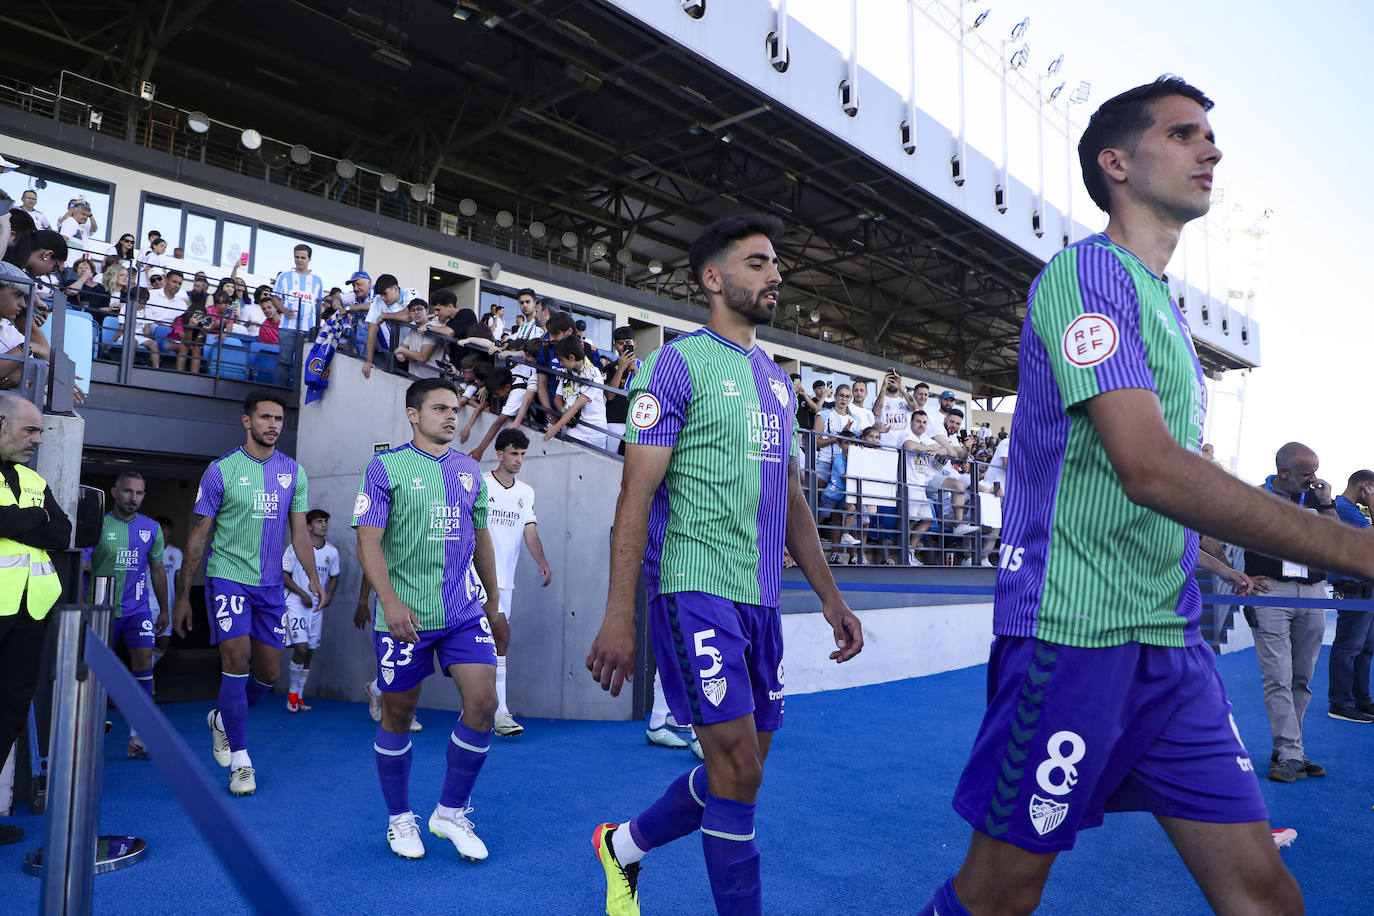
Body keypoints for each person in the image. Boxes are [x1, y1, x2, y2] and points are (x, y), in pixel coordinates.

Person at [916, 77, 1374, 916]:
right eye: (1184, 133)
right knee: (1000, 896)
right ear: (1117, 162)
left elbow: (1173, 490)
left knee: (1265, 896)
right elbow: (1152, 469)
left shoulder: (1163, 308)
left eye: (1209, 133)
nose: (1212, 148)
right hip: (1072, 635)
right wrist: (1357, 550)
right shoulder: (1085, 276)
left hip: (1171, 644)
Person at [586, 213, 863, 916]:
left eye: (776, 265)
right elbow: (634, 494)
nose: (776, 276)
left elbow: (794, 497)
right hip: (692, 586)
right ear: (713, 279)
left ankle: (622, 848)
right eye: (757, 263)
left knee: (741, 772)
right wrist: (621, 614)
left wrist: (831, 598)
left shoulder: (777, 381)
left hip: (760, 601)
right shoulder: (673, 364)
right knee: (736, 767)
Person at [353, 377, 507, 861]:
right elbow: (368, 541)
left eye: (455, 409)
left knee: (483, 704)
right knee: (399, 714)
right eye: (439, 408)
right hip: (405, 617)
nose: (450, 416)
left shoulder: (469, 470)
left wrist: (494, 602)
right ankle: (400, 820)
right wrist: (390, 602)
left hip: (463, 612)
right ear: (413, 415)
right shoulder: (384, 467)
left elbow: (480, 536)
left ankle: (450, 812)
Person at [172, 390, 321, 796]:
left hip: (271, 587)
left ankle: (222, 719)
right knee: (236, 660)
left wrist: (312, 577)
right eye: (266, 417)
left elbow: (300, 532)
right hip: (228, 577)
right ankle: (241, 762)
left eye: (278, 419)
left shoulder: (294, 471)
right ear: (247, 421)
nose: (273, 425)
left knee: (268, 675)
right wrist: (184, 594)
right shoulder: (221, 470)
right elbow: (199, 536)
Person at [1241, 442, 1337, 781]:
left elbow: (1337, 539)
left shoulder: (1318, 499)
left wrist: (1326, 503)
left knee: (1302, 678)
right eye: (1307, 473)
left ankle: (1287, 749)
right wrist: (1236, 573)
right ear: (1284, 472)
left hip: (1313, 593)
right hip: (1271, 592)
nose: (1315, 479)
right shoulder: (1253, 497)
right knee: (1278, 677)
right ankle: (1292, 753)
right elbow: (1212, 533)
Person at [0, 395, 70, 846]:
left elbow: (62, 531)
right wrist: (33, 518)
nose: (37, 440)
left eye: (41, 431)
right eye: (30, 430)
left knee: (7, 714)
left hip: (29, 614)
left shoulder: (32, 478)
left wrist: (17, 520)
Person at [85, 472, 168, 758]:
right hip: (101, 610)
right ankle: (91, 725)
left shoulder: (152, 528)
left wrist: (165, 608)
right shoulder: (97, 524)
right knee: (98, 669)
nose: (133, 498)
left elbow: (157, 569)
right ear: (115, 492)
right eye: (128, 492)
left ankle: (139, 736)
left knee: (144, 661)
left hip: (138, 610)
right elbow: (82, 564)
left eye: (139, 493)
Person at [482, 428, 552, 736]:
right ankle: (497, 712)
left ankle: (494, 713)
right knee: (497, 637)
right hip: (475, 579)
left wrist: (542, 562)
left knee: (494, 643)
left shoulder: (526, 491)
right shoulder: (480, 485)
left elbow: (530, 530)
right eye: (514, 453)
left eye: (523, 454)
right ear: (500, 454)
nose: (519, 460)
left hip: (505, 582)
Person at [281, 508, 340, 712]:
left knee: (310, 652)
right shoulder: (294, 548)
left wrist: (329, 595)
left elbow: (334, 576)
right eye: (318, 521)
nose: (323, 525)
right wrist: (303, 594)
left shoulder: (331, 552)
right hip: (296, 604)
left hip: (317, 608)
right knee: (301, 649)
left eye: (325, 521)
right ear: (308, 526)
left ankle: (299, 696)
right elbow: (284, 576)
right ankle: (292, 695)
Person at [1328, 470, 1374, 722]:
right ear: (1365, 486)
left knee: (1365, 648)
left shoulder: (1352, 509)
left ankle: (1361, 699)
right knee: (1348, 647)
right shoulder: (1343, 507)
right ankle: (1341, 703)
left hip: (1366, 586)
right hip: (1353, 586)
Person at [542, 336, 609, 450]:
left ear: (572, 357)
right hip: (574, 427)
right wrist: (565, 414)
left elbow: (576, 406)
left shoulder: (594, 375)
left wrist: (556, 427)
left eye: (562, 360)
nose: (561, 364)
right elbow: (557, 398)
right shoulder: (568, 372)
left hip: (594, 432)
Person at [149, 515, 182, 668]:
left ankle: (148, 667)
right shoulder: (146, 550)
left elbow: (179, 579)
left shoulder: (175, 553)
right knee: (145, 642)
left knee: (163, 642)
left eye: (166, 530)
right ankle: (146, 675)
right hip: (147, 602)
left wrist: (179, 602)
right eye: (160, 530)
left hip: (167, 604)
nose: (163, 533)